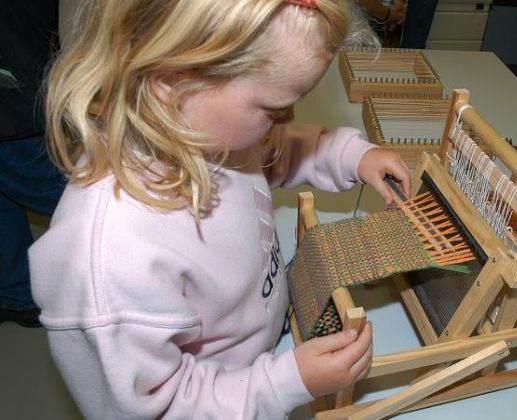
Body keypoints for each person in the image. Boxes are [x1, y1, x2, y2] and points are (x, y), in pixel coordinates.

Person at [29, 0, 410, 418]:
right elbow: (161, 408)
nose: (288, 118)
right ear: (173, 79)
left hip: (259, 353)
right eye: (274, 109)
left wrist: (350, 155)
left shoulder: (206, 127)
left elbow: (273, 151)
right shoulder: (105, 260)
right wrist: (283, 384)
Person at [0, 0, 66, 328]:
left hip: (12, 77)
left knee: (60, 191)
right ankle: (16, 294)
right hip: (19, 61)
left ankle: (156, 259)